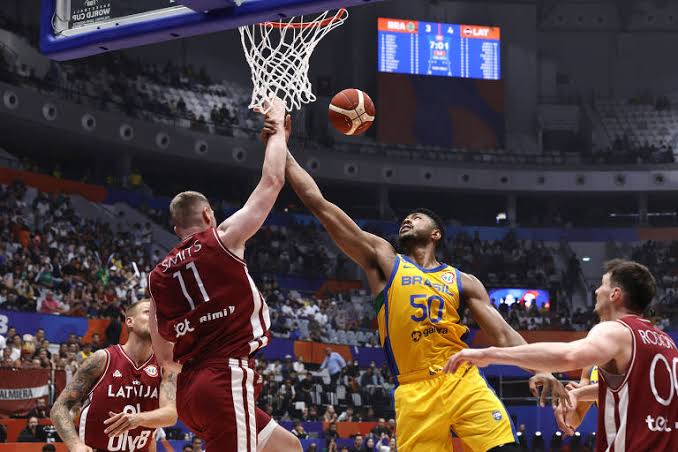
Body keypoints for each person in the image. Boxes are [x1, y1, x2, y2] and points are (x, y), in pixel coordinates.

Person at [265, 118, 566, 452]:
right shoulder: (385, 260)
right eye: (405, 219)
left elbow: (504, 335)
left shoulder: (463, 281)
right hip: (414, 388)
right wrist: (282, 147)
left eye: (417, 218)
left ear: (436, 234)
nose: (407, 220)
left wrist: (542, 369)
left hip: (461, 379)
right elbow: (319, 204)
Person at [148, 99, 301, 452]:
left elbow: (167, 359)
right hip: (224, 376)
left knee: (287, 447)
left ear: (175, 228)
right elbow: (273, 181)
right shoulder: (224, 237)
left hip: (190, 392)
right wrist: (277, 130)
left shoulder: (157, 278)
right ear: (207, 214)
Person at [446, 259, 678, 451]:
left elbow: (569, 356)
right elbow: (642, 392)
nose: (597, 290)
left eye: (602, 285)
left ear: (614, 294)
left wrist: (491, 354)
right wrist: (580, 393)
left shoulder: (616, 331)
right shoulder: (666, 342)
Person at [50, 300, 178, 452]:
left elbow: (171, 414)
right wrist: (75, 445)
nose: (155, 318)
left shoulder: (165, 368)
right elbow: (59, 407)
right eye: (148, 312)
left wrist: (138, 419)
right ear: (130, 321)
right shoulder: (102, 359)